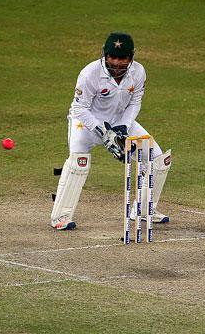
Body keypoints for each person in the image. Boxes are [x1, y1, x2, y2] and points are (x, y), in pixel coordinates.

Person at [50, 32, 173, 230]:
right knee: (78, 164)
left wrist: (122, 127)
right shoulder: (90, 73)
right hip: (85, 123)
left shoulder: (139, 72)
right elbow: (80, 108)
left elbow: (135, 102)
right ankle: (61, 217)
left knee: (155, 159)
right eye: (112, 57)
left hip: (119, 122)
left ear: (131, 57)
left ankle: (142, 211)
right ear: (105, 55)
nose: (116, 63)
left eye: (122, 58)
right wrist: (104, 132)